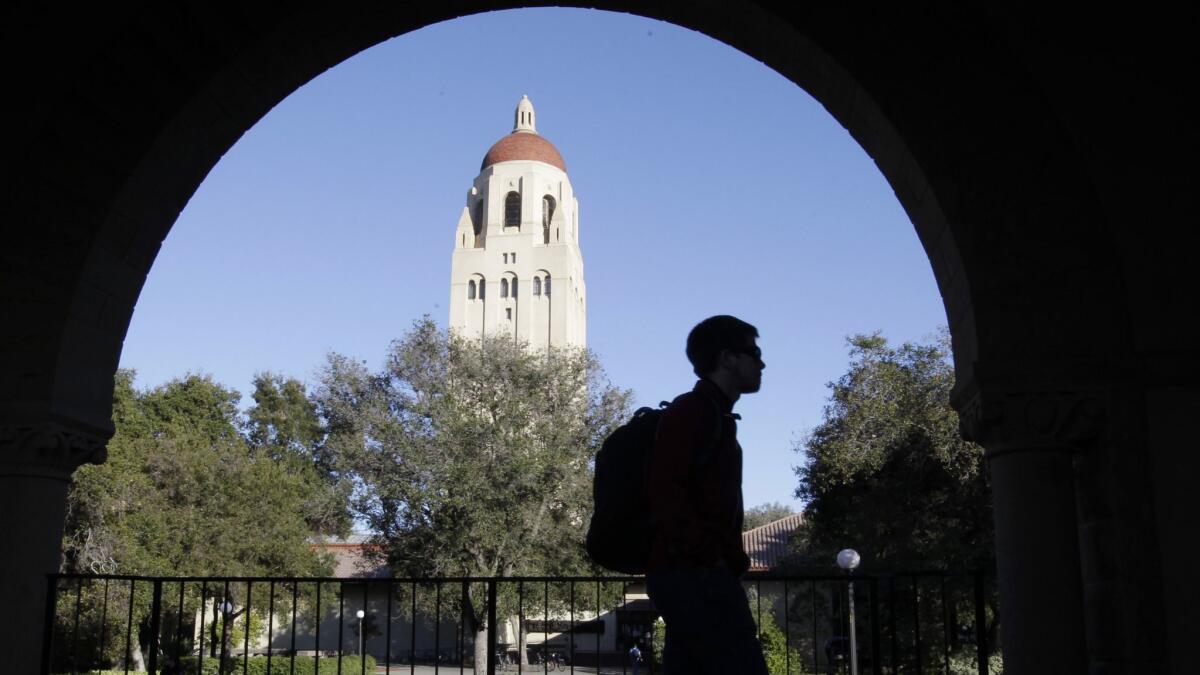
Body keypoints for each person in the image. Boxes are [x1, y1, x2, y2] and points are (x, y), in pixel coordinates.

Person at [646, 315, 768, 675]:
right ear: (728, 357)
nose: (761, 363)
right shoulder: (694, 412)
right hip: (695, 576)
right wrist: (711, 559)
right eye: (754, 352)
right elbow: (666, 493)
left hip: (691, 574)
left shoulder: (712, 414)